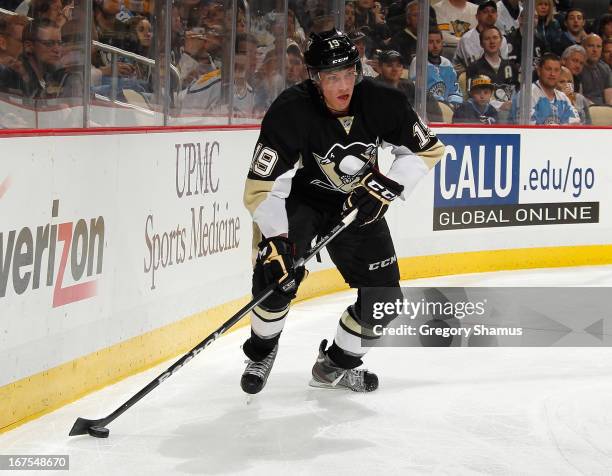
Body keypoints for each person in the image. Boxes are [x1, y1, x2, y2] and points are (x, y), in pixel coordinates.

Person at [241, 29, 445, 394]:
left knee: (383, 302)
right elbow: (261, 187)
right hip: (302, 202)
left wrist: (385, 188)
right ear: (315, 79)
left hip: (359, 206)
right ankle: (261, 351)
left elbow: (425, 151)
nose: (343, 85)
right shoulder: (290, 111)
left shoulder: (384, 102)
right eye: (332, 77)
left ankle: (334, 365)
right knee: (276, 276)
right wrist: (279, 239)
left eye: (349, 73)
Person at [511, 53, 580, 124]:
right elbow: (530, 127)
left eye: (556, 70)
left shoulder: (563, 98)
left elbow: (575, 124)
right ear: (539, 71)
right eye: (548, 69)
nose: (552, 74)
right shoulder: (527, 94)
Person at [466, 25, 519, 113]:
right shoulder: (473, 67)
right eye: (487, 39)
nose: (492, 42)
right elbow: (472, 95)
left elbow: (518, 92)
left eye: (495, 38)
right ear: (481, 44)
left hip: (511, 114)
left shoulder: (511, 66)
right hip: (484, 113)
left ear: (501, 41)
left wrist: (512, 104)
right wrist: (499, 106)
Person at [409, 29, 463, 108]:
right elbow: (416, 91)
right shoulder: (418, 61)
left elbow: (455, 90)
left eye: (438, 42)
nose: (435, 46)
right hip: (426, 109)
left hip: (447, 108)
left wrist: (453, 105)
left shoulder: (447, 63)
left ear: (442, 43)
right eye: (430, 42)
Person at [453, 0, 509, 73]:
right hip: (467, 78)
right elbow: (475, 68)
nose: (490, 14)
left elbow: (503, 67)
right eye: (485, 11)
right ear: (477, 16)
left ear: (497, 16)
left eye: (493, 11)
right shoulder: (467, 39)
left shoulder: (502, 39)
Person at [579, 33, 612, 106]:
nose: (595, 50)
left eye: (598, 46)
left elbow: (609, 98)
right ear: (583, 47)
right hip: (585, 109)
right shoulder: (578, 68)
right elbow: (578, 98)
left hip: (604, 110)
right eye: (591, 46)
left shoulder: (605, 68)